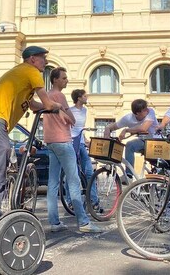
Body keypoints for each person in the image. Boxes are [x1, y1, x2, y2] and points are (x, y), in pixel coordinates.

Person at [0, 46, 64, 248]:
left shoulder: (20, 76)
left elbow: (34, 106)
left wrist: (49, 107)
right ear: (32, 60)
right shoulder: (31, 72)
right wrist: (57, 106)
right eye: (42, 59)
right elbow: (47, 103)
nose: (45, 62)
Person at [45, 68, 103, 233]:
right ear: (55, 80)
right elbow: (72, 119)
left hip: (50, 141)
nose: (66, 80)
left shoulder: (47, 95)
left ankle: (54, 223)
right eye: (64, 78)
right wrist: (66, 115)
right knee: (74, 181)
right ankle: (84, 222)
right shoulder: (59, 96)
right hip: (63, 141)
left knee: (53, 183)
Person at [102, 98, 158, 175]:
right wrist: (107, 130)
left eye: (146, 108)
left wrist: (126, 130)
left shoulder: (150, 111)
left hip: (156, 141)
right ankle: (129, 175)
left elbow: (143, 128)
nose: (147, 110)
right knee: (129, 145)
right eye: (144, 110)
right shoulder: (128, 118)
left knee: (131, 144)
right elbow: (113, 127)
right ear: (137, 113)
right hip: (143, 141)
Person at [69, 88, 100, 211]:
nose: (87, 98)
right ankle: (71, 201)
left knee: (89, 172)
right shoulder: (70, 111)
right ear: (79, 98)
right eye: (85, 96)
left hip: (81, 144)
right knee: (72, 174)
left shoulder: (85, 111)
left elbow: (80, 129)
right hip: (71, 144)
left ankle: (93, 200)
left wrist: (86, 140)